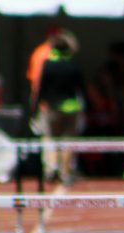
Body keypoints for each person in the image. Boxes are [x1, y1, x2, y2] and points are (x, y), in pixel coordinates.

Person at [35, 32, 86, 185]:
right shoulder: (73, 66)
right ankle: (65, 172)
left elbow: (41, 88)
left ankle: (51, 169)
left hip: (51, 108)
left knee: (50, 138)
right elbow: (81, 88)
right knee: (68, 141)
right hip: (71, 108)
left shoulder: (48, 65)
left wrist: (36, 107)